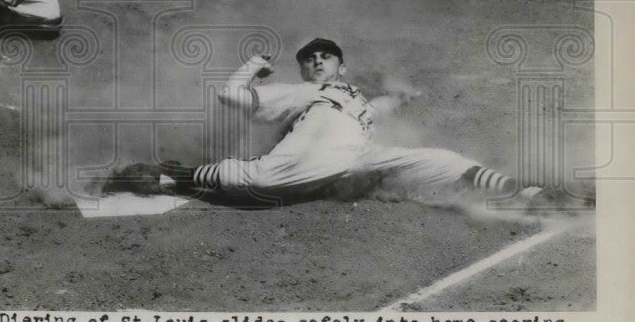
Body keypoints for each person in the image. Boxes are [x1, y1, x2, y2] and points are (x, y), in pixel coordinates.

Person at [153, 38, 592, 209]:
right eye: (310, 60)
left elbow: (376, 108)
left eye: (326, 57)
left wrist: (399, 97)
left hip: (359, 160)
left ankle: (530, 194)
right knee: (255, 180)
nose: (317, 62)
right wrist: (253, 65)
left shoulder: (356, 99)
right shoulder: (304, 92)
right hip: (311, 160)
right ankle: (175, 176)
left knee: (444, 160)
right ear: (304, 71)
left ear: (342, 67)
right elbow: (229, 95)